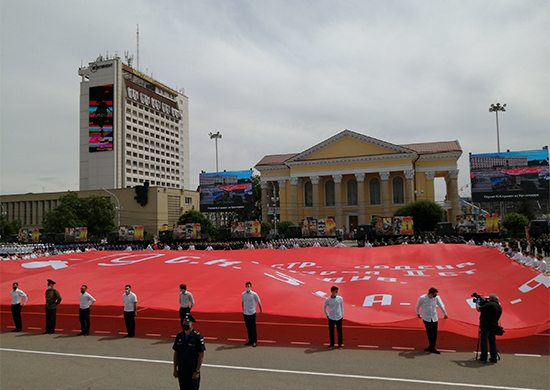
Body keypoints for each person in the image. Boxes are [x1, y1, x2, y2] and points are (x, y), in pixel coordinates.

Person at [172, 313, 205, 390]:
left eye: (187, 323)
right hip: (182, 369)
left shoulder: (197, 337)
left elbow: (201, 355)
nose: (185, 324)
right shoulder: (180, 336)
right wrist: (175, 369)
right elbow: (176, 353)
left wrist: (197, 371)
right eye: (184, 322)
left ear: (192, 323)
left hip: (192, 370)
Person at [415, 287, 448, 354]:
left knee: (434, 333)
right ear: (430, 294)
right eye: (434, 294)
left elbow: (441, 306)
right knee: (429, 333)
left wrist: (445, 314)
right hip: (426, 318)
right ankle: (431, 346)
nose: (435, 296)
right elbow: (417, 306)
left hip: (434, 317)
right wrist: (418, 314)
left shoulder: (436, 298)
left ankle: (432, 346)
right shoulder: (422, 298)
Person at [476, 293, 503, 364]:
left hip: (486, 326)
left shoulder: (490, 305)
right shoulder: (499, 307)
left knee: (484, 341)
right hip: (494, 326)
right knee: (492, 342)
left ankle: (483, 358)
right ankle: (494, 358)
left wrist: (477, 303)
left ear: (491, 298)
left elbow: (479, 309)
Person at [241, 281, 262, 347]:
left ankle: (254, 341)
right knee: (248, 327)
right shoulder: (243, 294)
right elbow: (243, 302)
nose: (247, 287)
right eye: (246, 286)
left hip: (252, 312)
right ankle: (250, 340)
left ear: (250, 287)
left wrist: (260, 310)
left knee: (253, 327)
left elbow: (258, 301)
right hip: (246, 313)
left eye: (248, 286)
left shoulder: (254, 294)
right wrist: (243, 310)